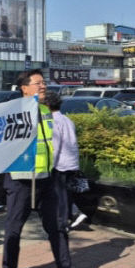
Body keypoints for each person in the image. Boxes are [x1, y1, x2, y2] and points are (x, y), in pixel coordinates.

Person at [1, 70, 98, 268]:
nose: (43, 86)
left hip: (47, 178)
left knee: (58, 228)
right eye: (38, 83)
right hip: (20, 179)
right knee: (14, 228)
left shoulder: (46, 111)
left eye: (44, 83)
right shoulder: (12, 112)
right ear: (24, 88)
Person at [44, 91, 88, 230]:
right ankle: (73, 215)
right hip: (72, 162)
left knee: (60, 194)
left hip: (60, 164)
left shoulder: (54, 122)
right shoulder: (67, 120)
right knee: (66, 193)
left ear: (47, 105)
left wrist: (49, 165)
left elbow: (54, 147)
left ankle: (62, 223)